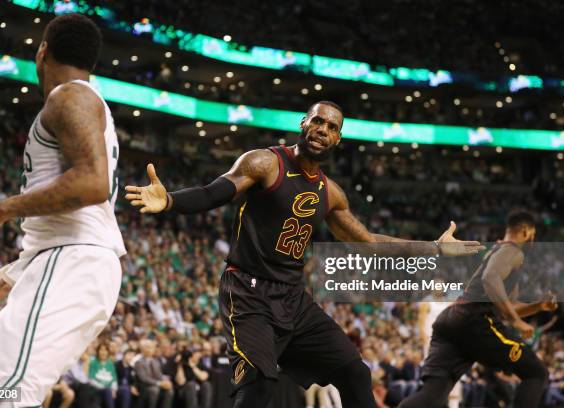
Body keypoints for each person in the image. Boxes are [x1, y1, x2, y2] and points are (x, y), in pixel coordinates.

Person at [124, 101, 484, 407]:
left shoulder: (331, 192)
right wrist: (170, 200)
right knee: (258, 386)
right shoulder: (265, 162)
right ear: (303, 123)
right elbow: (214, 192)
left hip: (293, 299)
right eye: (317, 121)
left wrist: (434, 248)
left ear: (338, 138)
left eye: (331, 126)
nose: (322, 129)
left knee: (355, 372)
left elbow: (369, 243)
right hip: (248, 293)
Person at [0, 13, 126, 406]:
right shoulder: (81, 101)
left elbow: (93, 184)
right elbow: (65, 222)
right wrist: (12, 276)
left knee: (0, 397)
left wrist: (0, 210)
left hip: (73, 261)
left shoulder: (70, 96)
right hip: (63, 261)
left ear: (43, 51)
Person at [399, 210, 558, 408]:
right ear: (526, 231)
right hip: (474, 321)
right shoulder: (512, 251)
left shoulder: (500, 252)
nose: (533, 240)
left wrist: (538, 306)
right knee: (536, 373)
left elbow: (508, 305)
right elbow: (490, 278)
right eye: (533, 235)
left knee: (434, 393)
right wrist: (516, 321)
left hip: (452, 320)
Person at [135, 339, 174, 408]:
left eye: (152, 348)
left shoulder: (156, 361)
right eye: (149, 348)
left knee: (169, 390)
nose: (151, 350)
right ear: (143, 349)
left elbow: (159, 375)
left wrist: (166, 381)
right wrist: (159, 383)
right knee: (154, 390)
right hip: (144, 387)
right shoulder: (139, 363)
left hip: (156, 385)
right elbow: (144, 378)